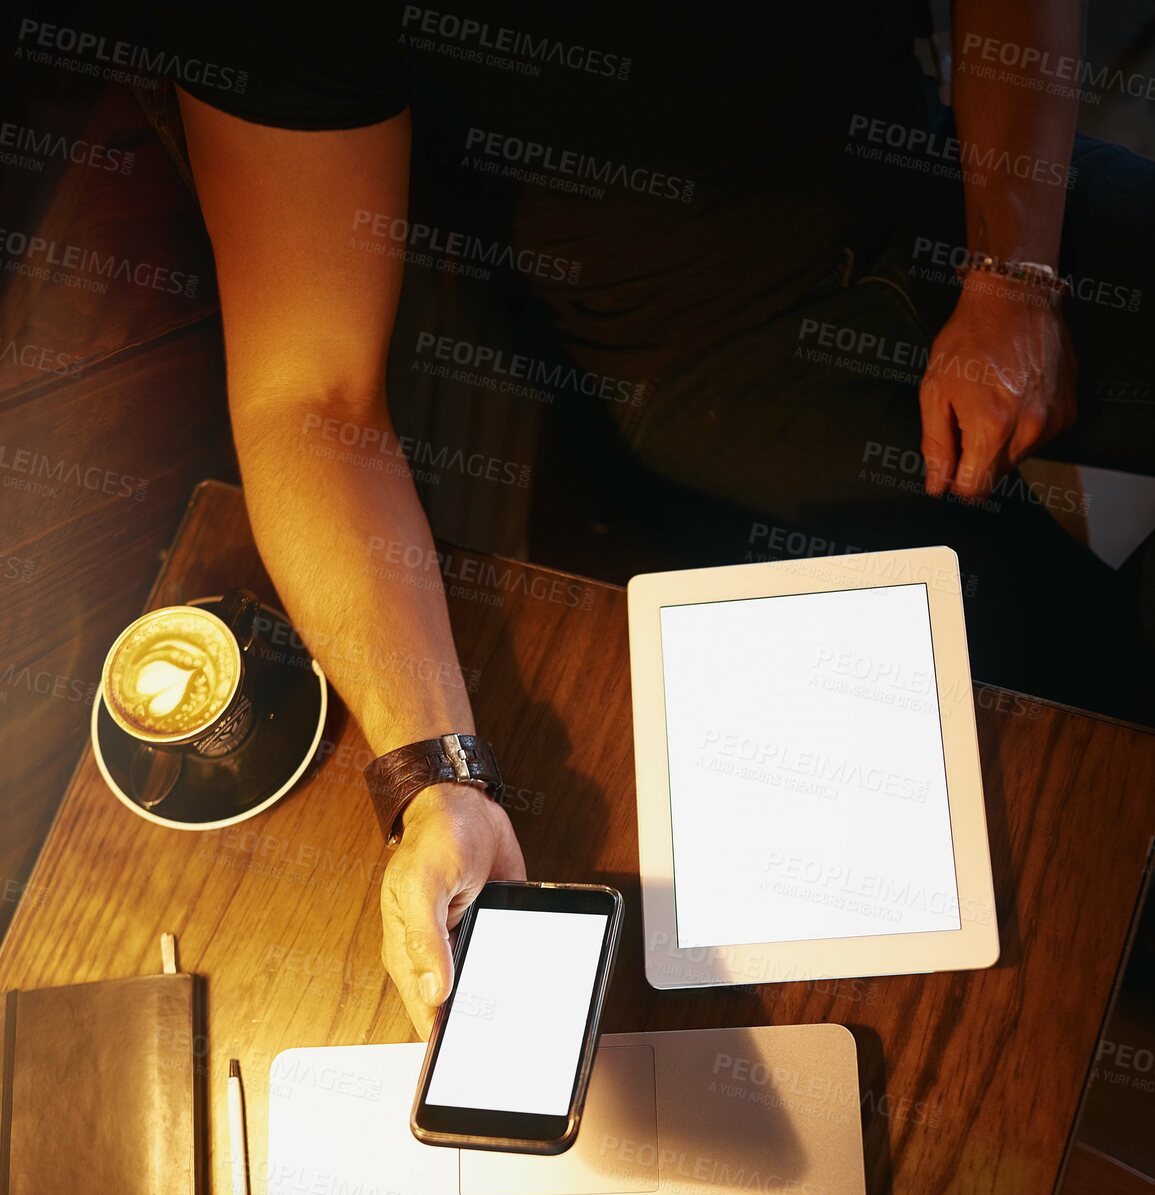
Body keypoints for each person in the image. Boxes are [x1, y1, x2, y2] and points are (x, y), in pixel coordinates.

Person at [162, 1, 1153, 1032]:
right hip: (703, 364)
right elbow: (308, 398)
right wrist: (434, 776)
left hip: (937, 183)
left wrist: (1013, 276)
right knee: (1089, 806)